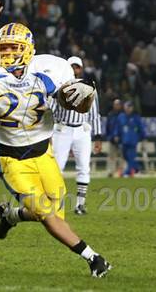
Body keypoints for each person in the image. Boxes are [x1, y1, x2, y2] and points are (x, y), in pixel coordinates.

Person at [0, 0, 111, 277]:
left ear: (28, 49)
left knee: (53, 211)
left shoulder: (50, 68)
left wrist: (85, 98)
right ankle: (94, 258)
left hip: (43, 152)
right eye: (4, 47)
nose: (7, 52)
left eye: (14, 47)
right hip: (12, 159)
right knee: (46, 214)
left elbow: (73, 104)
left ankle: (9, 216)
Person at [50, 56, 102, 215]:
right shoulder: (60, 87)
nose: (75, 70)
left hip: (82, 130)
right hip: (62, 129)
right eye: (72, 67)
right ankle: (56, 202)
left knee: (84, 167)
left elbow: (94, 114)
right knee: (57, 168)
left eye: (77, 67)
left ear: (81, 69)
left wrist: (98, 136)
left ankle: (80, 204)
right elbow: (50, 110)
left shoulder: (89, 88)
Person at [113, 101, 146, 177]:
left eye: (130, 107)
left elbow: (141, 129)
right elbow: (117, 127)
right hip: (124, 141)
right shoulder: (121, 117)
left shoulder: (136, 117)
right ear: (124, 107)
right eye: (127, 107)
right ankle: (136, 168)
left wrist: (143, 138)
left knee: (131, 157)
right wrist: (116, 135)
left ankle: (127, 173)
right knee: (125, 156)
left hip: (132, 141)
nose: (128, 108)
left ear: (132, 108)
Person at [106, 99, 123, 177]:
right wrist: (109, 137)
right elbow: (107, 127)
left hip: (121, 139)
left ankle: (121, 172)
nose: (116, 106)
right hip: (112, 139)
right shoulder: (110, 115)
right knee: (111, 156)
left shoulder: (123, 115)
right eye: (115, 104)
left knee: (121, 157)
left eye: (118, 104)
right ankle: (111, 172)